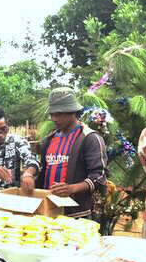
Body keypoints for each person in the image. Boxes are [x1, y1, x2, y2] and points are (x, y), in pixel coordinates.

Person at [38, 87, 108, 218]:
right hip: (48, 212)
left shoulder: (90, 138)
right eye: (52, 114)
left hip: (77, 215)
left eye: (59, 114)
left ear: (73, 112)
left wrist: (71, 188)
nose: (54, 118)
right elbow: (42, 171)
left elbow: (100, 177)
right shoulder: (49, 140)